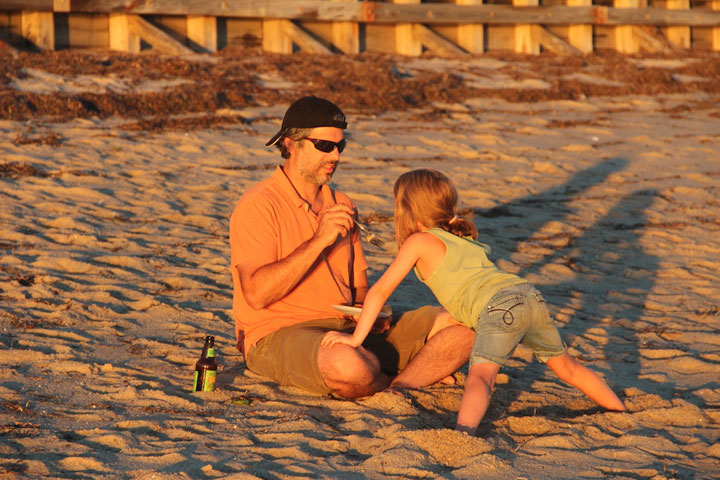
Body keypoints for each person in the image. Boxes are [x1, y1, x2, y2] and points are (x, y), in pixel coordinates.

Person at [321, 168, 627, 433]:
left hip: (500, 306)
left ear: (406, 210)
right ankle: (621, 413)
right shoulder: (464, 237)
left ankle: (463, 435)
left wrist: (356, 339)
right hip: (527, 294)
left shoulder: (419, 241)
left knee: (481, 378)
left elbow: (379, 291)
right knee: (568, 368)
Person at [229, 97, 474, 398]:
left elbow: (359, 287)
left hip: (349, 330)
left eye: (340, 146)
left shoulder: (342, 203)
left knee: (466, 324)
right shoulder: (259, 205)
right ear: (292, 144)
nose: (335, 155)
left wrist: (368, 312)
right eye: (324, 145)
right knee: (348, 366)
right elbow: (256, 294)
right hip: (281, 333)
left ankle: (396, 386)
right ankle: (403, 377)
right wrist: (319, 240)